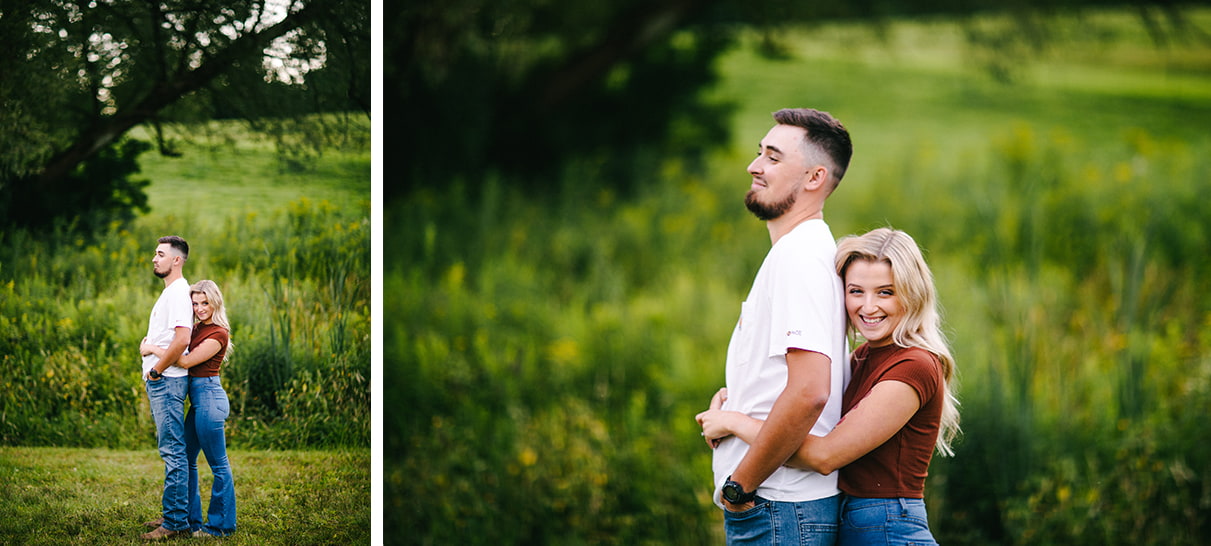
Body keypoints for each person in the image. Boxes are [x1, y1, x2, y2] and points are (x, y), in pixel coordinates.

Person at [697, 228, 960, 545]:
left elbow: (824, 455)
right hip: (858, 524)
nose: (868, 306)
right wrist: (733, 403)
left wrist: (735, 422)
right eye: (856, 291)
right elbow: (798, 402)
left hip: (890, 528)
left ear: (912, 294)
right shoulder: (863, 357)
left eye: (885, 292)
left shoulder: (914, 366)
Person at [696, 108, 853, 544]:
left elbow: (809, 391)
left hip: (778, 507)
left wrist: (739, 485)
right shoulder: (798, 252)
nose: (754, 166)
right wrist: (737, 408)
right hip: (781, 506)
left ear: (814, 178)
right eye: (758, 153)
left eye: (772, 156)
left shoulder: (800, 258)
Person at [142, 280, 237, 537]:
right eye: (195, 303)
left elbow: (183, 361)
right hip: (198, 402)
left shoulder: (219, 333)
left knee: (218, 465)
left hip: (210, 399)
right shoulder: (197, 328)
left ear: (215, 301)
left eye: (205, 303)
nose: (200, 308)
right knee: (185, 458)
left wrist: (150, 347)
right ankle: (189, 519)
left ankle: (220, 527)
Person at [138, 235, 193, 540]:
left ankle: (173, 523)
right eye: (154, 253)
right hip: (163, 381)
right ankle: (172, 513)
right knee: (171, 449)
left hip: (167, 382)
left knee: (173, 451)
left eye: (159, 254)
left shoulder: (178, 294)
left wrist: (157, 369)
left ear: (176, 260)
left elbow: (183, 340)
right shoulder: (171, 293)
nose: (153, 259)